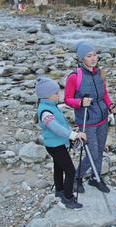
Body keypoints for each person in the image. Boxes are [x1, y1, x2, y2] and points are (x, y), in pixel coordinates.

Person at [64, 41, 116, 193]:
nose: (93, 58)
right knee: (92, 153)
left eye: (94, 55)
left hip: (102, 118)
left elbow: (104, 94)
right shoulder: (74, 77)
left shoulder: (100, 73)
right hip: (87, 121)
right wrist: (80, 102)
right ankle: (76, 177)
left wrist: (110, 105)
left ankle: (95, 177)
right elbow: (67, 99)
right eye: (89, 56)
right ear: (82, 59)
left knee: (100, 150)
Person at [35, 77, 86, 210]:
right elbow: (54, 127)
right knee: (70, 171)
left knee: (58, 167)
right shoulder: (45, 111)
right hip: (55, 146)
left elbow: (62, 123)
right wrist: (73, 135)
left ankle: (59, 190)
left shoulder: (51, 106)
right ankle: (67, 199)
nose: (59, 95)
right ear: (47, 96)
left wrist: (71, 134)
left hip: (58, 144)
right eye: (56, 93)